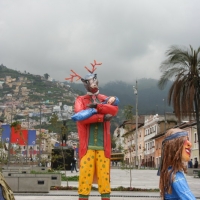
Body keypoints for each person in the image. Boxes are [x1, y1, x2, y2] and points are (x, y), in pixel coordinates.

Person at [66, 60, 119, 200]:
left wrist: (96, 107)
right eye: (89, 82)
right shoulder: (80, 100)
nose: (93, 84)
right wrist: (102, 117)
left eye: (94, 81)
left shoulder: (103, 98)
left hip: (103, 148)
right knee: (85, 179)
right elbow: (80, 117)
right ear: (85, 84)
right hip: (87, 148)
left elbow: (114, 109)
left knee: (104, 181)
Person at [158, 128, 196, 200]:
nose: (189, 144)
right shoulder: (176, 176)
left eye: (188, 140)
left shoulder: (169, 171)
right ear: (174, 148)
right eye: (183, 141)